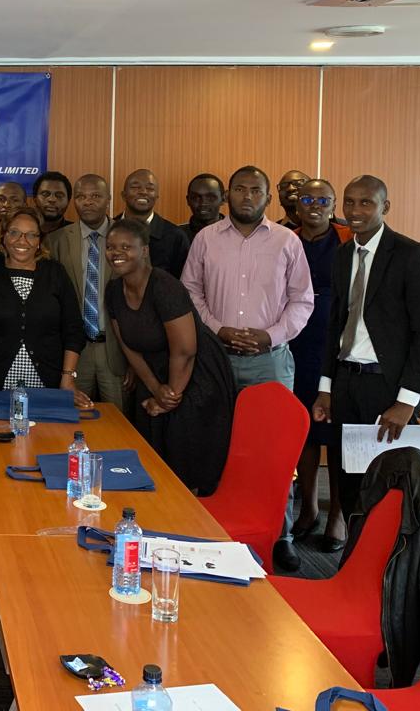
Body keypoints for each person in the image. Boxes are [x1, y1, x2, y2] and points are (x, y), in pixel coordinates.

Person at [182, 165, 313, 571]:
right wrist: (217, 329)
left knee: (274, 451)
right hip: (216, 360)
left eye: (256, 190)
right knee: (216, 444)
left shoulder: (288, 241)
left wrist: (269, 336)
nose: (247, 196)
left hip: (269, 361)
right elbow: (190, 291)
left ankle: (280, 535)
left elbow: (302, 300)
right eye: (240, 189)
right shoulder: (206, 239)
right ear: (228, 195)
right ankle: (218, 528)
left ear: (268, 198)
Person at [313, 175, 420, 528]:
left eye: (366, 203)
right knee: (349, 482)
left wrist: (406, 402)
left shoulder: (411, 255)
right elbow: (335, 326)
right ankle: (354, 554)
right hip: (347, 382)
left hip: (388, 386)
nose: (355, 211)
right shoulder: (344, 254)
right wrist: (326, 389)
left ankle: (391, 558)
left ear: (384, 207)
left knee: (390, 488)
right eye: (349, 202)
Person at [104, 219, 236, 496]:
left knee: (185, 463)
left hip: (195, 375)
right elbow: (128, 345)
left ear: (144, 250)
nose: (116, 253)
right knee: (151, 459)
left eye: (126, 247)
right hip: (154, 375)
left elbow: (185, 351)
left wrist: (169, 396)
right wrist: (155, 390)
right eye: (111, 247)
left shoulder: (165, 286)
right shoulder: (113, 290)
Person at [0, 206, 88, 404]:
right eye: (14, 233)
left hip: (48, 384)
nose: (22, 241)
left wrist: (68, 378)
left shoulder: (55, 273)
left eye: (31, 235)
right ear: (3, 236)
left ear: (40, 241)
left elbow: (73, 330)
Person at [287, 179, 352, 550]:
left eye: (323, 200)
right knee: (305, 430)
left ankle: (337, 516)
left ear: (333, 205)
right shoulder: (287, 238)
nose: (315, 206)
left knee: (336, 431)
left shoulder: (347, 238)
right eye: (307, 199)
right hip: (298, 344)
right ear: (297, 206)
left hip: (339, 345)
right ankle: (309, 507)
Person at [47, 174, 127, 409]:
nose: (88, 202)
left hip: (115, 349)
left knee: (118, 421)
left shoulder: (128, 236)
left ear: (109, 199)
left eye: (96, 196)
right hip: (74, 351)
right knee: (72, 417)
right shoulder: (56, 241)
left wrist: (136, 359)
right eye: (81, 196)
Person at [116, 169, 191, 278]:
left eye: (150, 188)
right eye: (135, 187)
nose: (143, 192)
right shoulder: (109, 230)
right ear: (123, 195)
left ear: (157, 196)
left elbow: (182, 282)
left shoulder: (175, 236)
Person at [180, 173, 226, 244]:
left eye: (210, 197)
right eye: (196, 197)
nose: (203, 203)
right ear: (188, 200)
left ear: (223, 199)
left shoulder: (238, 234)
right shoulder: (175, 235)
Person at [32, 171, 73, 236]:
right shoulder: (22, 230)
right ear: (35, 199)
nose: (52, 199)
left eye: (59, 195)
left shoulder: (78, 233)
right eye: (45, 194)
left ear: (68, 201)